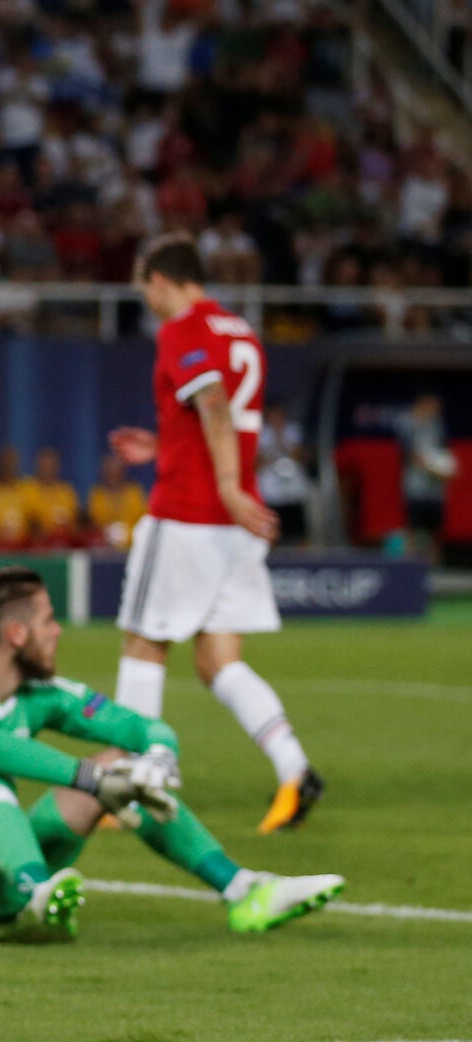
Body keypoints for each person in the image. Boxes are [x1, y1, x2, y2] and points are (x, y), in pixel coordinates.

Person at [0, 566, 344, 938]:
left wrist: (157, 757)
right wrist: (90, 778)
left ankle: (242, 890)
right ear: (17, 634)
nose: (58, 631)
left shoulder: (41, 695)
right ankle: (37, 893)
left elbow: (139, 726)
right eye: (48, 621)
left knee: (120, 766)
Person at [109, 236, 321, 834]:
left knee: (144, 643)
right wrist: (167, 446)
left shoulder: (182, 328)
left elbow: (213, 402)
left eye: (143, 285)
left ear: (161, 279)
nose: (144, 298)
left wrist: (225, 484)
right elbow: (221, 418)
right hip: (237, 523)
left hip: (189, 516)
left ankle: (135, 784)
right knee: (218, 661)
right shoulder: (240, 331)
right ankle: (294, 769)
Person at [395, 394, 457, 563]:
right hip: (416, 489)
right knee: (413, 528)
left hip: (435, 491)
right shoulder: (409, 426)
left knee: (435, 530)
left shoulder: (439, 428)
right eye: (431, 407)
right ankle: (408, 563)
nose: (434, 411)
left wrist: (446, 470)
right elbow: (410, 455)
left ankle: (434, 565)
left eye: (437, 408)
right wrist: (431, 468)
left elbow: (445, 455)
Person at [257, 402, 313, 547]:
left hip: (294, 490)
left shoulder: (295, 431)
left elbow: (305, 456)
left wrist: (282, 441)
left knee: (299, 533)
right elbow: (256, 462)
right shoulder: (261, 434)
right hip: (271, 492)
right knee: (272, 532)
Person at [87, 452, 146, 549]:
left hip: (133, 544)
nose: (113, 475)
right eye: (109, 471)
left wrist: (127, 534)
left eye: (116, 471)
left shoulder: (134, 492)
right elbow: (94, 522)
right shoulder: (97, 494)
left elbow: (143, 521)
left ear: (122, 472)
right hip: (104, 548)